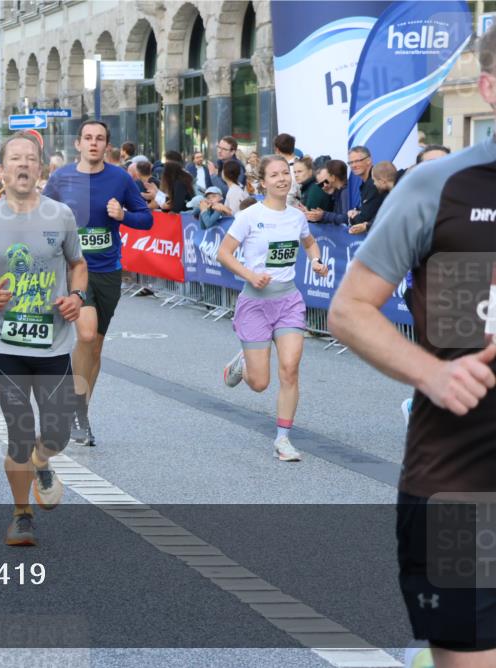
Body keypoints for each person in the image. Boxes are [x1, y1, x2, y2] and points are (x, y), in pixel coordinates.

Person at [328, 25, 496, 664]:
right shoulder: (439, 187)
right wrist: (433, 374)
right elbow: (349, 309)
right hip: (462, 486)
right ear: (489, 89)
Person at [0, 133, 87, 545]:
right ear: (1, 169)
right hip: (4, 341)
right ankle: (21, 515)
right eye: (15, 159)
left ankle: (42, 458)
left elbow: (78, 264)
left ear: (40, 167)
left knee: (58, 433)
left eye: (30, 158)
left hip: (53, 342)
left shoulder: (61, 215)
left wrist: (76, 296)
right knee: (19, 430)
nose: (23, 165)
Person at [42, 119, 153, 447]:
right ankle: (76, 410)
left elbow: (146, 219)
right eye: (88, 138)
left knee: (96, 345)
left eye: (100, 138)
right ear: (78, 144)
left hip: (108, 271)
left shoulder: (120, 178)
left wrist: (123, 216)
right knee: (87, 334)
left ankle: (81, 411)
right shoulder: (61, 178)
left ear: (107, 145)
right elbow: (41, 217)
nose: (93, 143)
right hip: (73, 270)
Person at [218, 155, 330, 462]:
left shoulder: (296, 216)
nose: (282, 179)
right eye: (275, 175)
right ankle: (243, 363)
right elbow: (224, 254)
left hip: (288, 301)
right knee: (259, 383)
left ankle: (283, 439)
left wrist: (317, 261)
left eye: (285, 173)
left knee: (290, 369)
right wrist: (250, 275)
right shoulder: (249, 216)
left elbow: (309, 243)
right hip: (255, 302)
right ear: (263, 182)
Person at [349, 160, 397, 235]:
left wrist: (366, 226)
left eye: (374, 180)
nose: (374, 184)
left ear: (382, 181)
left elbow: (387, 218)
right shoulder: (389, 194)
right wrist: (366, 225)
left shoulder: (398, 197)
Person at [346, 145, 385, 228]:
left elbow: (364, 219)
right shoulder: (367, 182)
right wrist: (357, 211)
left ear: (368, 160)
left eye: (357, 161)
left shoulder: (374, 183)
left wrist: (351, 218)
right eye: (350, 162)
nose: (353, 165)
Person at [306, 159, 350, 225]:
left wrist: (324, 215)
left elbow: (346, 219)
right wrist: (311, 215)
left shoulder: (344, 192)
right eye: (321, 184)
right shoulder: (336, 194)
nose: (325, 186)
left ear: (333, 177)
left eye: (326, 181)